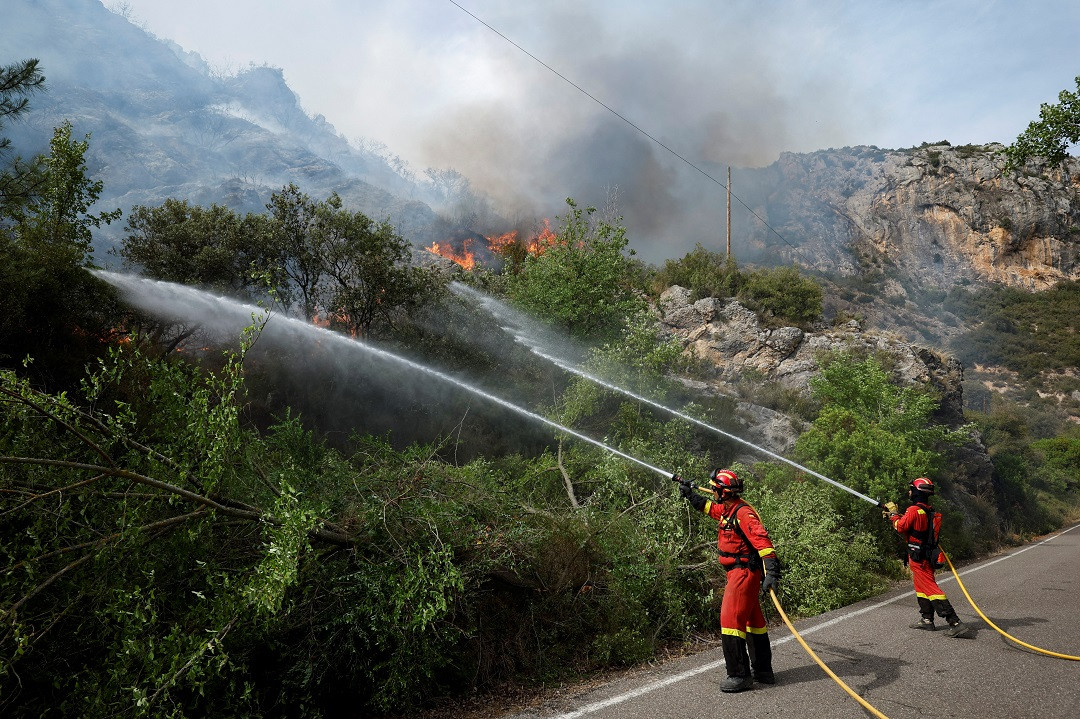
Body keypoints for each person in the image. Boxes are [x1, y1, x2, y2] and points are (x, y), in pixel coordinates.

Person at [676, 468, 781, 692]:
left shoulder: (743, 513)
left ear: (724, 492)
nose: (713, 492)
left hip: (743, 573)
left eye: (715, 489)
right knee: (753, 622)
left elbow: (762, 541)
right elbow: (710, 508)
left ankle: (739, 675)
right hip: (738, 572)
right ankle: (763, 671)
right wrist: (690, 494)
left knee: (731, 619)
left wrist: (772, 572)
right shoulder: (728, 509)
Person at [885, 477, 970, 638]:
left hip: (919, 557)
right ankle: (927, 619)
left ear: (916, 492)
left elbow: (900, 527)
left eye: (911, 490)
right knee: (920, 586)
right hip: (927, 555)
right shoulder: (929, 511)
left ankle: (955, 622)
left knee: (931, 588)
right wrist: (895, 515)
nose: (909, 492)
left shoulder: (913, 510)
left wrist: (894, 515)